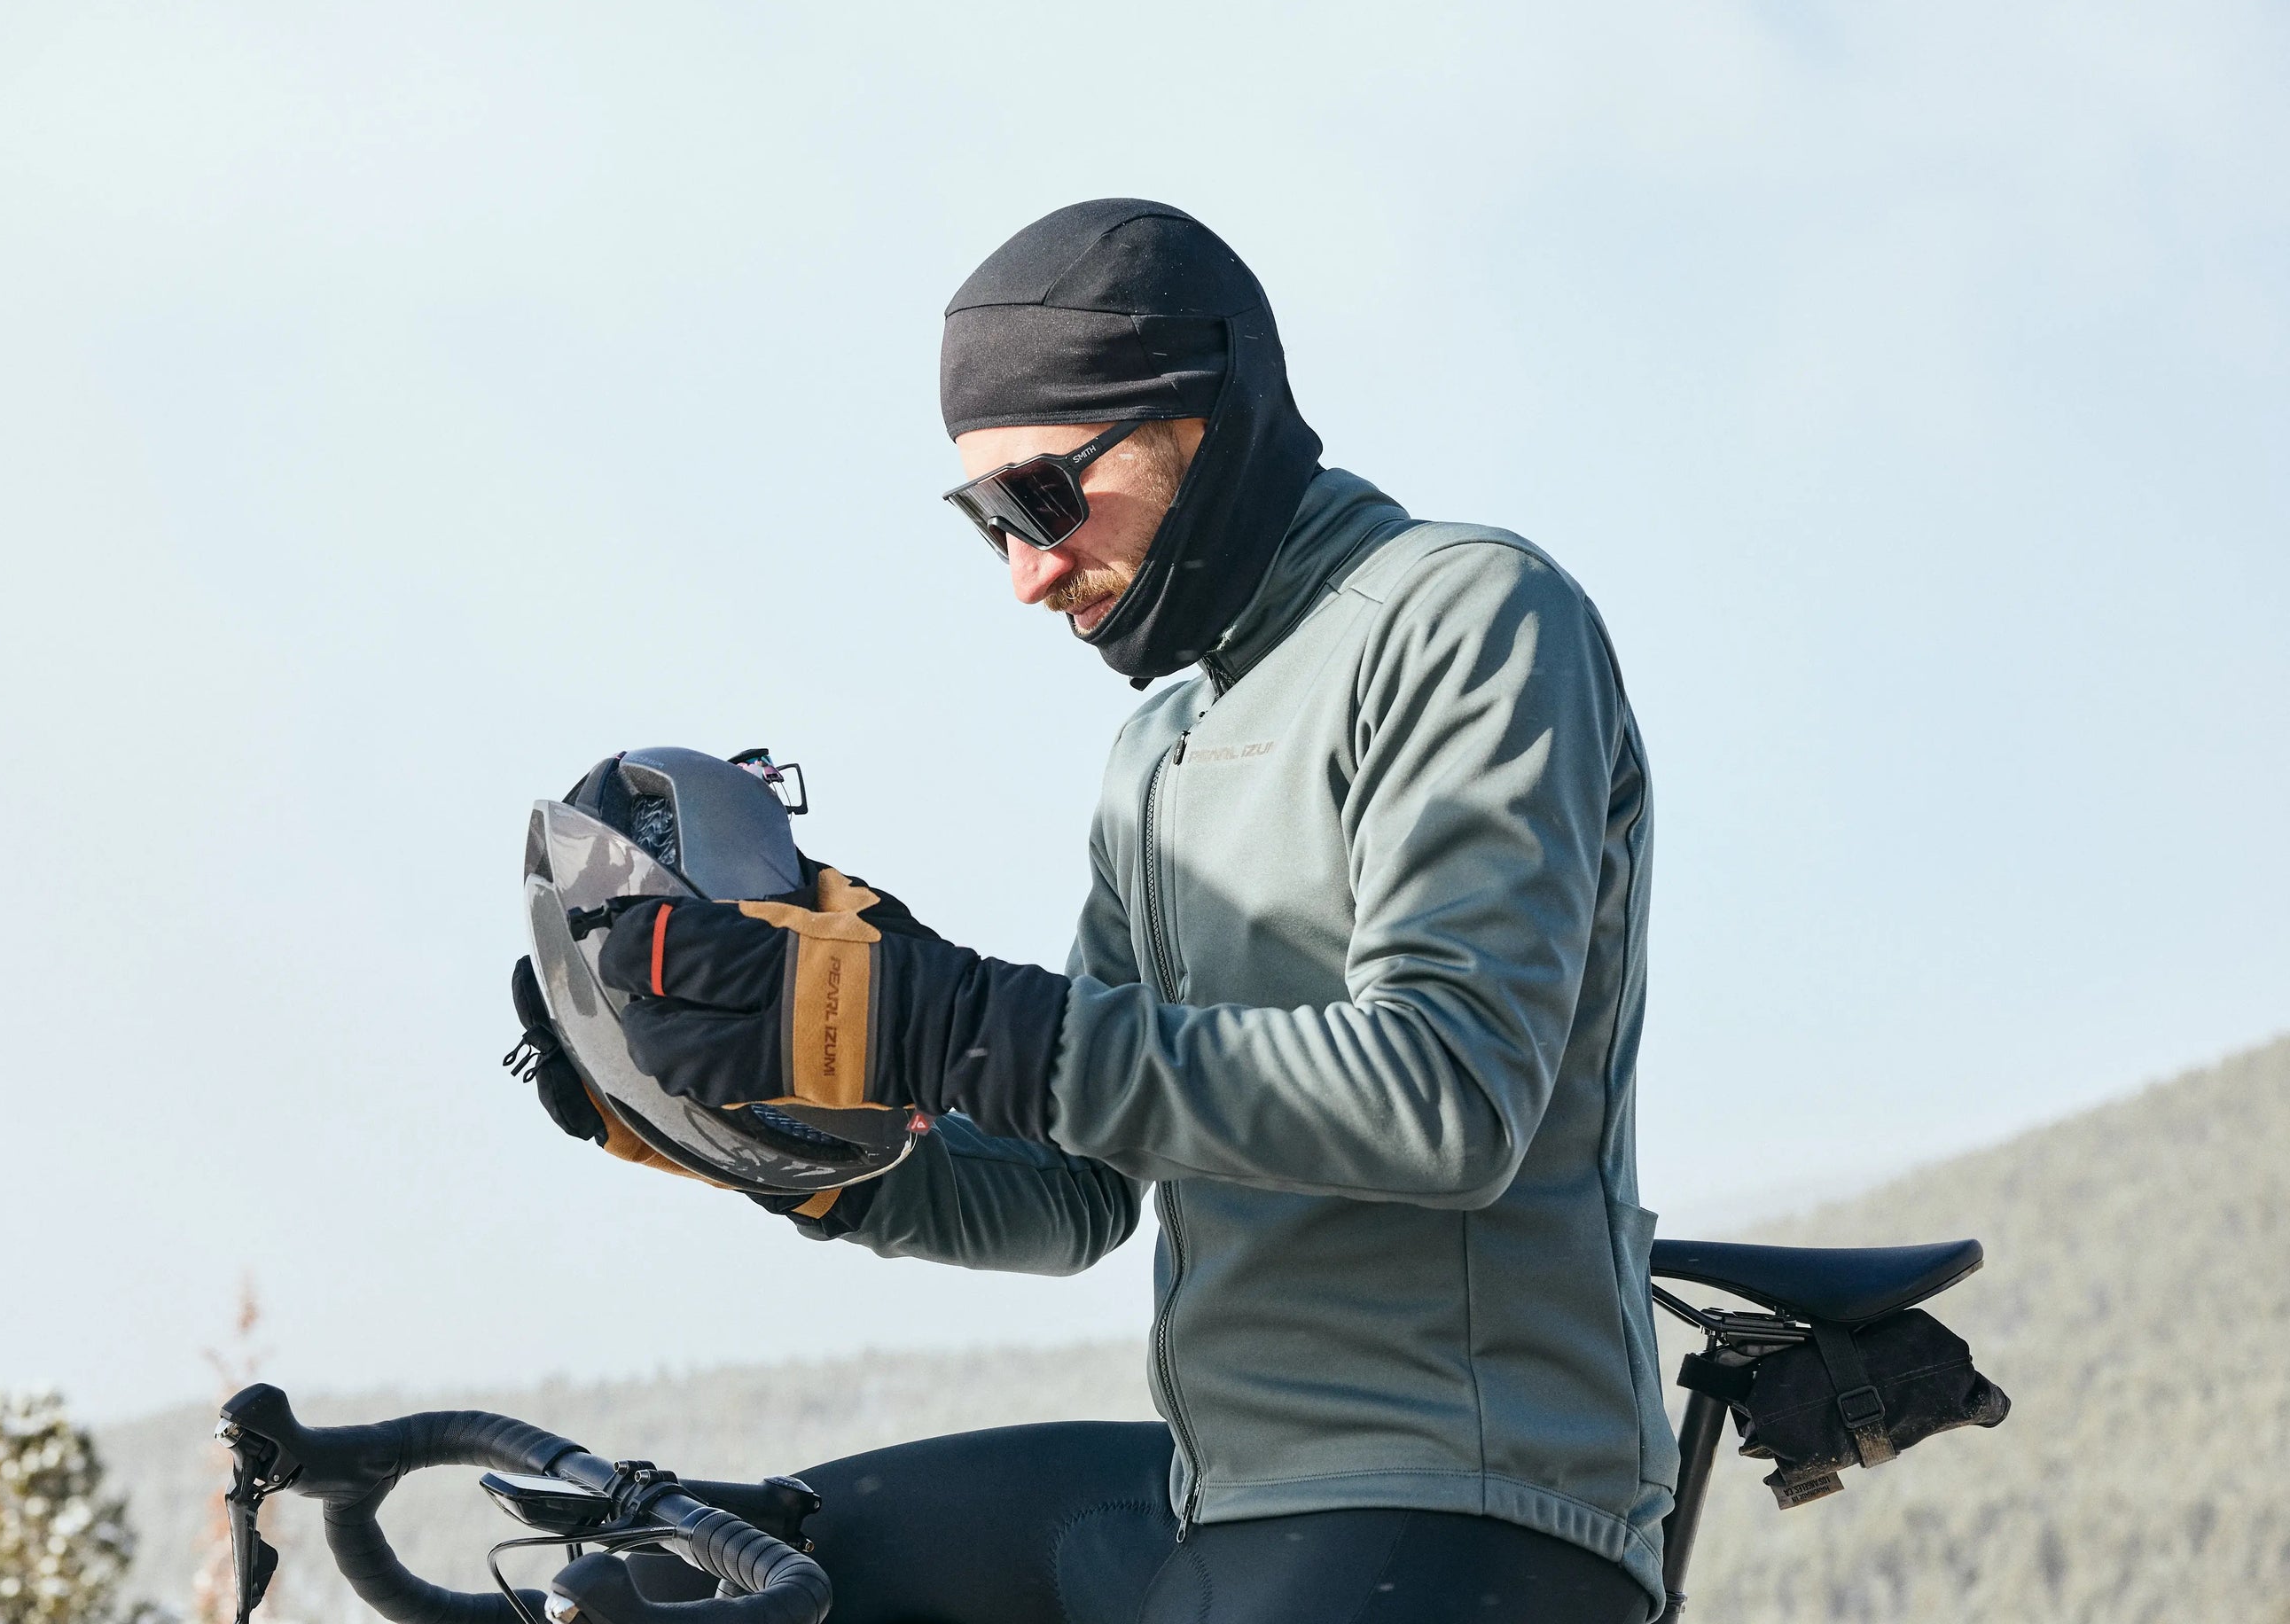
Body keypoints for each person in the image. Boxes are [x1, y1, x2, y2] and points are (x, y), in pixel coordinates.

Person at [551, 199, 1674, 1622]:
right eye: (983, 524)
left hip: (1463, 1492)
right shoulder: (1162, 752)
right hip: (1225, 1485)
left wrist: (946, 1016)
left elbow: (1448, 1094)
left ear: (1203, 418)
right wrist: (772, 1128)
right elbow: (1077, 1188)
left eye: (1040, 499)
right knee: (676, 1588)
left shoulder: (1465, 617)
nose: (1023, 572)